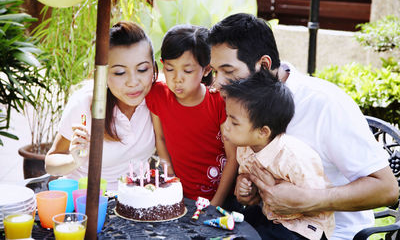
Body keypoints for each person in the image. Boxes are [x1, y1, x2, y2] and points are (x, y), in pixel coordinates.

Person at [208, 13, 398, 239]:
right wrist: (252, 190)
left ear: (264, 64)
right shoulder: (237, 106)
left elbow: (387, 189)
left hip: (331, 233)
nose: (216, 85)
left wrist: (308, 201)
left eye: (228, 72)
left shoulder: (325, 104)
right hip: (266, 226)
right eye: (214, 71)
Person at [221, 70, 334, 240]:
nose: (225, 125)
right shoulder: (244, 148)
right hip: (269, 215)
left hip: (302, 228)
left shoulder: (294, 158)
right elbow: (247, 176)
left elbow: (318, 203)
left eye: (234, 122)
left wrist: (285, 197)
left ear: (263, 132)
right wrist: (245, 184)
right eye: (227, 117)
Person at [45, 21, 158, 191]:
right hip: (86, 201)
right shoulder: (85, 102)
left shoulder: (157, 99)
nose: (133, 82)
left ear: (154, 68)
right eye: (120, 72)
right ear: (103, 74)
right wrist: (74, 160)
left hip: (133, 202)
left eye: (142, 69)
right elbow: (50, 163)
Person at [145, 24, 238, 206]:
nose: (177, 78)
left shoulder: (218, 101)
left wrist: (215, 204)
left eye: (187, 71)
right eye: (170, 69)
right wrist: (170, 174)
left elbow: (233, 158)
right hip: (178, 196)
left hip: (219, 198)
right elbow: (160, 138)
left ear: (206, 69)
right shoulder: (158, 95)